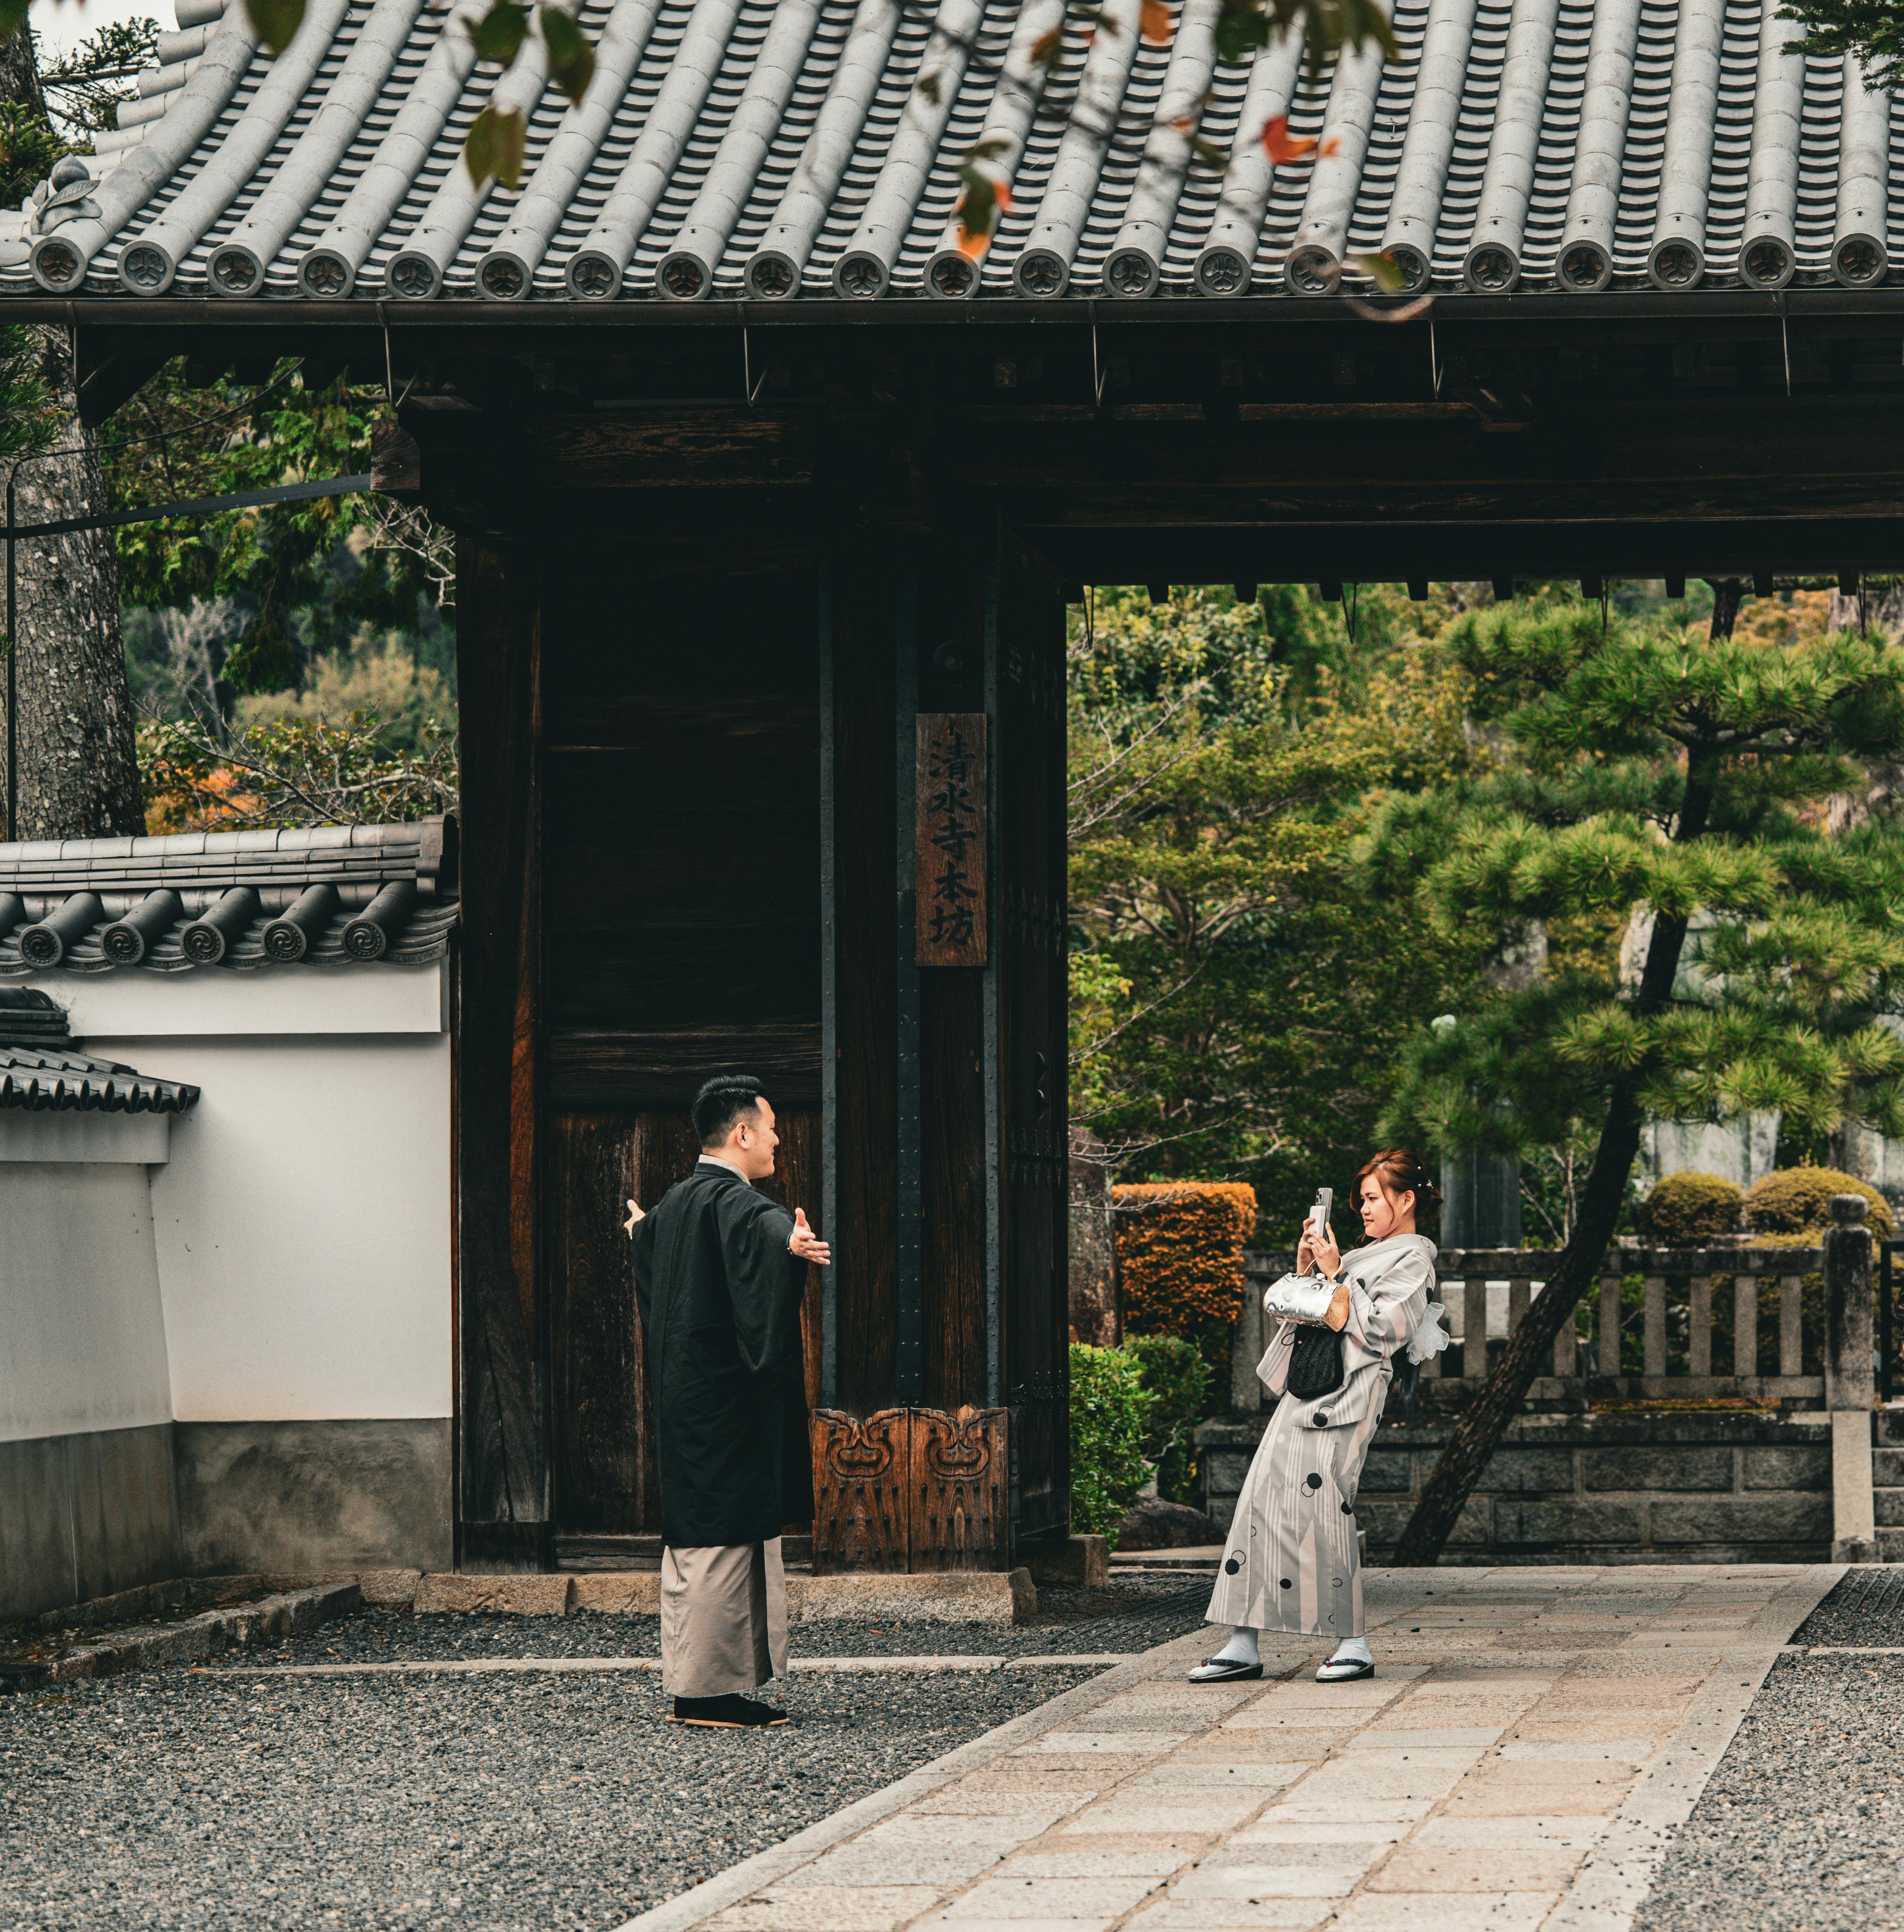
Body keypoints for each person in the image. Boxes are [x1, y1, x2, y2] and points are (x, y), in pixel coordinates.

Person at [1190, 1149, 1447, 1686]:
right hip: (1311, 1388)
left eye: (1374, 1198)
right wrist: (1311, 1271)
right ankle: (1243, 1639)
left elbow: (1383, 1332)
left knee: (1327, 1508)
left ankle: (1353, 1643)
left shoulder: (1414, 1260)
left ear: (1407, 1199)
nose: (1363, 1209)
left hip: (1350, 1399)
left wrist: (1336, 1275)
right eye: (1361, 1201)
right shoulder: (1365, 1255)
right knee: (1260, 1499)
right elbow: (1315, 1312)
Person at [623, 1073, 830, 1729]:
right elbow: (765, 1229)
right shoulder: (735, 1204)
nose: (775, 1141)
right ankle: (704, 1693)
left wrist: (640, 1234)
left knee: (712, 1533)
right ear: (741, 1132)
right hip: (725, 1405)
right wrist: (790, 1245)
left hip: (691, 1402)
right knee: (720, 1535)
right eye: (769, 1128)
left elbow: (658, 1244)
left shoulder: (680, 1201)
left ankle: (715, 1685)